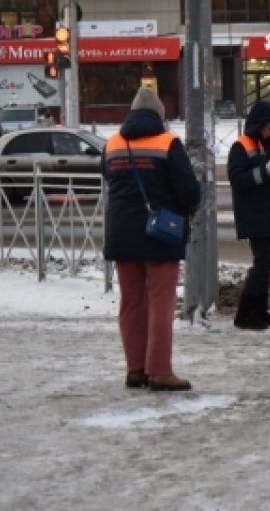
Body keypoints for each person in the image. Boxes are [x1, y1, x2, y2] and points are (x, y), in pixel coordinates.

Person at [102, 88, 201, 392]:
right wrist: (187, 209)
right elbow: (188, 190)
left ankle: (135, 369)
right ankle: (159, 371)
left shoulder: (113, 143)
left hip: (120, 232)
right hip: (160, 232)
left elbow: (108, 177)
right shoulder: (168, 142)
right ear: (160, 115)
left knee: (131, 302)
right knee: (161, 302)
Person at [228, 101, 270, 331]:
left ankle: (260, 311)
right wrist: (264, 171)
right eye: (269, 128)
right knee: (262, 262)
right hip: (254, 214)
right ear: (258, 125)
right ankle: (245, 314)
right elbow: (238, 179)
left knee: (266, 263)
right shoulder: (241, 147)